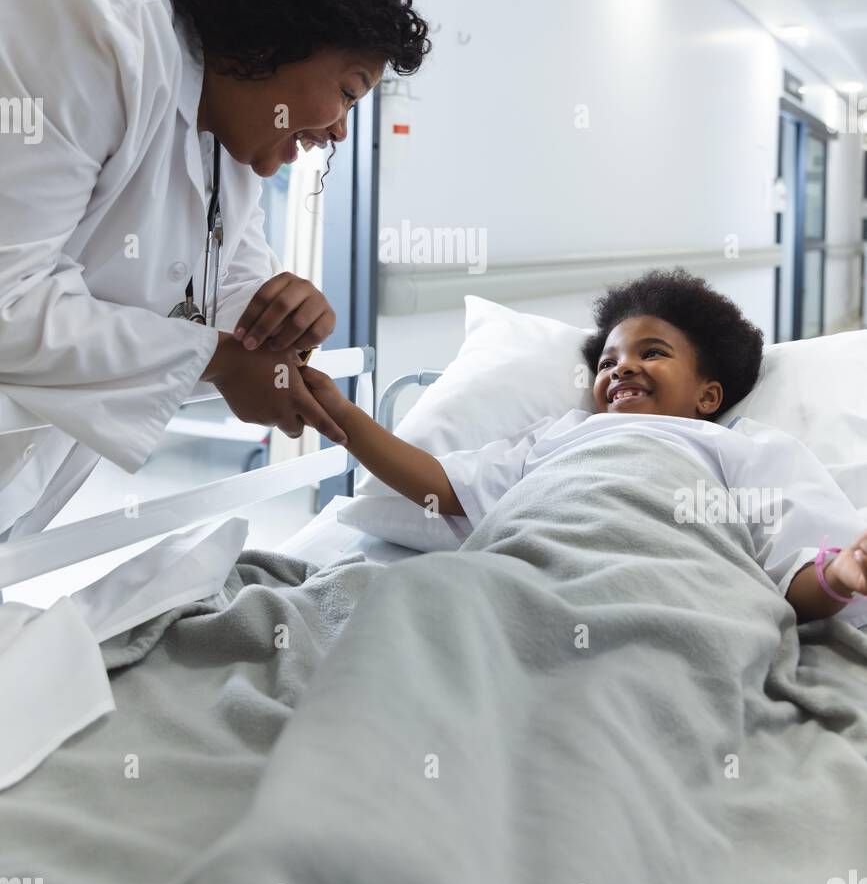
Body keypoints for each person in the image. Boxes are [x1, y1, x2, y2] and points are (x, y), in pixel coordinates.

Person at [0, 0, 429, 539]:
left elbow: (229, 299)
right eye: (347, 91)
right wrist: (224, 362)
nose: (339, 130)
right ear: (277, 37)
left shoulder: (224, 140)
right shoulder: (93, 18)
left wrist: (284, 319)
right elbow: (9, 297)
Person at [298, 267, 867, 627]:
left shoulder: (739, 448)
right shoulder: (563, 436)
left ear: (708, 395)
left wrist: (837, 576)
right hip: (526, 580)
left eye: (654, 353)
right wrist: (343, 414)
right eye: (607, 361)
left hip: (675, 594)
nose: (624, 368)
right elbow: (441, 488)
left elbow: (792, 578)